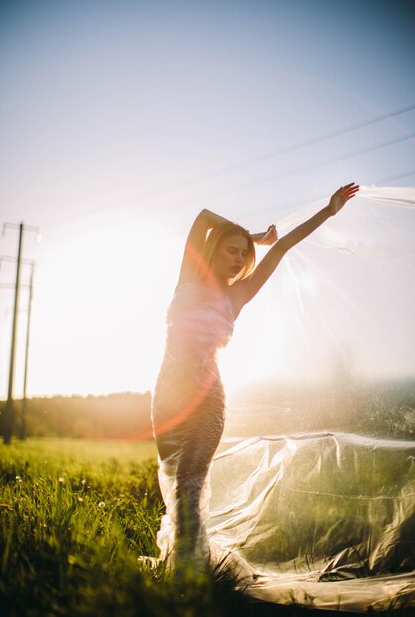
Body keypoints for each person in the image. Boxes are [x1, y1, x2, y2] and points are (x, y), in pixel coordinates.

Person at [151, 182, 359, 569]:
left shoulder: (238, 295)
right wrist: (252, 235)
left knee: (189, 486)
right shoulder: (187, 278)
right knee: (174, 485)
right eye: (232, 250)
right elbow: (203, 218)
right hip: (165, 399)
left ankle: (187, 574)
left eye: (243, 255)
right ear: (213, 249)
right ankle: (187, 565)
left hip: (207, 401)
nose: (237, 259)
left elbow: (283, 248)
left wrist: (328, 210)